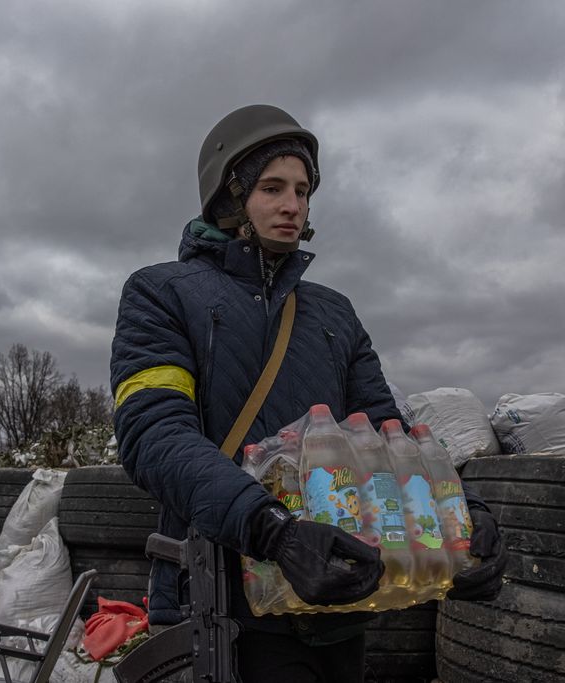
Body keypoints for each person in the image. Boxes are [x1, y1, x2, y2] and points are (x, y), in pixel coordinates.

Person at [110, 104, 506, 682]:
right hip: (221, 604)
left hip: (333, 600)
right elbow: (154, 436)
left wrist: (462, 518)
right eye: (272, 188)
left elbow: (387, 440)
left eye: (302, 190)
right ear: (229, 197)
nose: (292, 205)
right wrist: (272, 528)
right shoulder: (160, 294)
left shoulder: (332, 313)